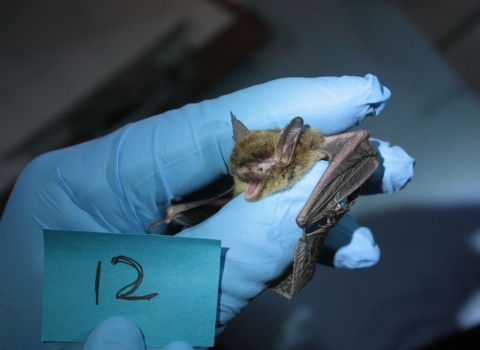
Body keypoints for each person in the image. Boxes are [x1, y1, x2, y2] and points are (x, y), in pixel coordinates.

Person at [0, 74, 414, 349]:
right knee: (195, 197)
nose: (248, 174)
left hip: (309, 171)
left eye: (257, 169)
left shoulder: (305, 161)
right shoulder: (246, 172)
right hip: (248, 185)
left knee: (294, 215)